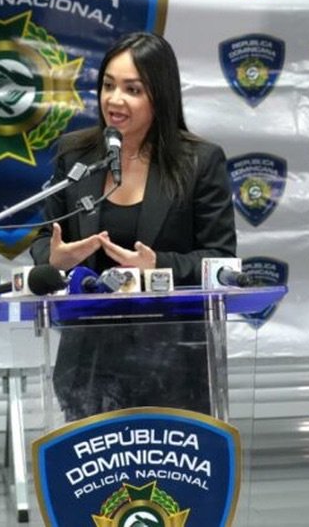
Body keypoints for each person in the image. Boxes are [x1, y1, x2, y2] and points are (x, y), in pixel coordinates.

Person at [29, 31, 237, 421]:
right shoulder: (75, 155)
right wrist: (55, 259)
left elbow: (221, 258)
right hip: (88, 364)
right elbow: (45, 240)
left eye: (132, 89)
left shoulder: (199, 162)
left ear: (161, 95)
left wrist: (158, 265)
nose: (114, 99)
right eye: (108, 85)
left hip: (174, 361)